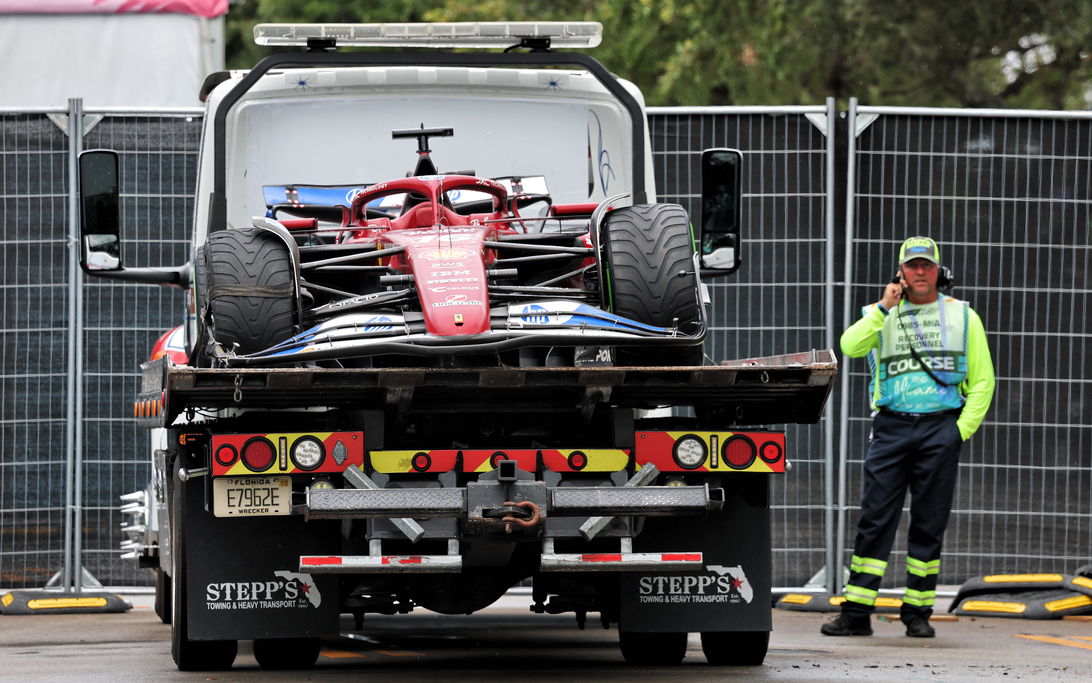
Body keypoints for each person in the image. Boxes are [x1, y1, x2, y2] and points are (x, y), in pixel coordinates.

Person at [822, 236, 995, 638]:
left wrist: (959, 431)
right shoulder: (878, 314)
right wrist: (885, 307)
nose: (920, 272)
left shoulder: (963, 316)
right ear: (900, 272)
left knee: (929, 523)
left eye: (927, 265)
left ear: (939, 271)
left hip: (940, 429)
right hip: (892, 428)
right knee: (874, 520)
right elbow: (849, 346)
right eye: (912, 265)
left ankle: (918, 613)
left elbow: (983, 381)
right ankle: (856, 613)